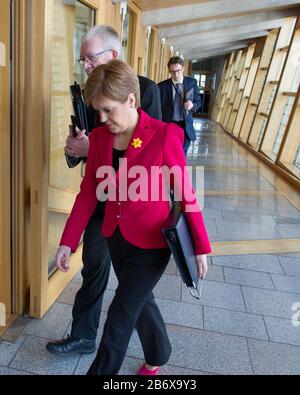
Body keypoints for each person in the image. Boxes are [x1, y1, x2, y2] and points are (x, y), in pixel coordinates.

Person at [55, 59, 211, 375]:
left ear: (131, 100)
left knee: (120, 315)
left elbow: (185, 195)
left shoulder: (164, 135)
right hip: (116, 237)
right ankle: (160, 351)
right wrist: (67, 242)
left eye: (108, 110)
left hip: (152, 245)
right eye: (98, 111)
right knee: (139, 303)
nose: (102, 119)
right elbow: (88, 194)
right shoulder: (99, 139)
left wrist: (201, 246)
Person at [46, 25, 162, 357]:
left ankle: (157, 347)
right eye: (81, 59)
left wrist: (93, 150)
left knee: (134, 288)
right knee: (94, 265)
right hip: (100, 200)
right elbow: (80, 148)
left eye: (89, 57)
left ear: (112, 54)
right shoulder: (86, 93)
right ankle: (83, 335)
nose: (84, 64)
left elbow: (148, 156)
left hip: (134, 207)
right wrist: (74, 150)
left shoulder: (145, 90)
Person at [158, 56, 201, 156]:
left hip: (185, 125)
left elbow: (198, 102)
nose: (176, 74)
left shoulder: (192, 82)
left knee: (182, 154)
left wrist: (192, 105)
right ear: (169, 71)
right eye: (172, 72)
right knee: (170, 153)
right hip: (169, 124)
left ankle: (180, 171)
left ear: (183, 69)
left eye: (178, 71)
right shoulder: (162, 86)